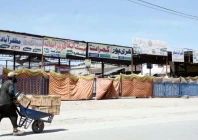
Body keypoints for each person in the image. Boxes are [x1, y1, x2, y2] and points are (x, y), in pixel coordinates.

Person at [0, 72, 24, 136]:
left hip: (0, 103)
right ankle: (15, 131)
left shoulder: (4, 83)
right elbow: (11, 92)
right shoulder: (10, 83)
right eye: (15, 77)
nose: (15, 78)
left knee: (1, 116)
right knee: (13, 115)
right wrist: (14, 98)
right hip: (7, 103)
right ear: (13, 77)